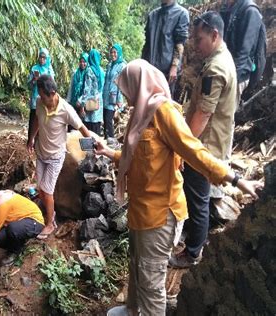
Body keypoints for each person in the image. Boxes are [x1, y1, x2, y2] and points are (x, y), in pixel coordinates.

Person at [95, 59, 261, 316]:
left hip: (160, 213)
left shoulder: (163, 112)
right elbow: (137, 156)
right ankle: (132, 309)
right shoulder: (140, 113)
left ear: (140, 86)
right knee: (136, 264)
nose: (124, 95)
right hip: (140, 209)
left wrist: (235, 179)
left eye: (127, 88)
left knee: (151, 279)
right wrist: (109, 152)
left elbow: (193, 151)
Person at [168, 12, 237, 269]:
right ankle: (196, 240)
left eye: (199, 39)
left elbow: (203, 114)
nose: (195, 46)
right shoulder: (222, 60)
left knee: (197, 199)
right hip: (210, 141)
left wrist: (183, 149)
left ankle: (192, 252)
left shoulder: (216, 69)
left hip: (203, 145)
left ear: (214, 35)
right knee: (199, 197)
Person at [27, 74, 94, 239]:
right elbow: (37, 119)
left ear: (53, 93)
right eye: (40, 95)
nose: (41, 99)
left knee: (48, 191)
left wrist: (92, 149)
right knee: (41, 189)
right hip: (41, 153)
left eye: (44, 97)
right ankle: (50, 214)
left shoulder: (66, 109)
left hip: (56, 156)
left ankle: (50, 224)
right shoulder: (39, 101)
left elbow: (82, 129)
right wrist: (31, 138)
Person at [220, 0, 265, 104]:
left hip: (237, 75)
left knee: (225, 114)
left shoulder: (250, 11)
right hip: (224, 71)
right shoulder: (228, 8)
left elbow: (244, 52)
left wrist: (232, 79)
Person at [141, 0, 189, 97]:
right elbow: (147, 44)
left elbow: (180, 43)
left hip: (166, 73)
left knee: (162, 106)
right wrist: (142, 65)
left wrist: (174, 66)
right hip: (149, 70)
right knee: (145, 102)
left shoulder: (181, 14)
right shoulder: (153, 15)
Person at [27, 48, 55, 143]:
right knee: (32, 122)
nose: (42, 59)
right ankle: (30, 142)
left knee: (44, 122)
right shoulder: (34, 68)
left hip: (46, 101)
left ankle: (42, 144)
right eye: (40, 57)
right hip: (35, 100)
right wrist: (34, 80)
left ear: (47, 59)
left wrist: (42, 80)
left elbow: (52, 85)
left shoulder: (49, 70)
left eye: (44, 57)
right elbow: (29, 85)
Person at [102, 43, 127, 140]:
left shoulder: (122, 66)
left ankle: (111, 142)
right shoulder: (109, 65)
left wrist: (119, 101)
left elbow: (122, 85)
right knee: (105, 120)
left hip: (113, 98)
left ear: (119, 53)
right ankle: (105, 141)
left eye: (115, 52)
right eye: (111, 52)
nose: (113, 54)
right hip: (105, 97)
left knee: (108, 120)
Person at [78, 48, 104, 135]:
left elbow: (87, 89)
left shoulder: (89, 70)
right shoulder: (101, 70)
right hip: (98, 103)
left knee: (89, 129)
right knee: (97, 128)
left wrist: (82, 105)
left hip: (90, 103)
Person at [66, 52, 90, 128]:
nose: (82, 63)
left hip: (83, 104)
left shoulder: (88, 74)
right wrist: (68, 101)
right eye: (81, 61)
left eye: (84, 62)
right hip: (74, 102)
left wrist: (81, 102)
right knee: (72, 122)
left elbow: (87, 90)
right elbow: (71, 87)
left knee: (81, 124)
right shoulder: (75, 73)